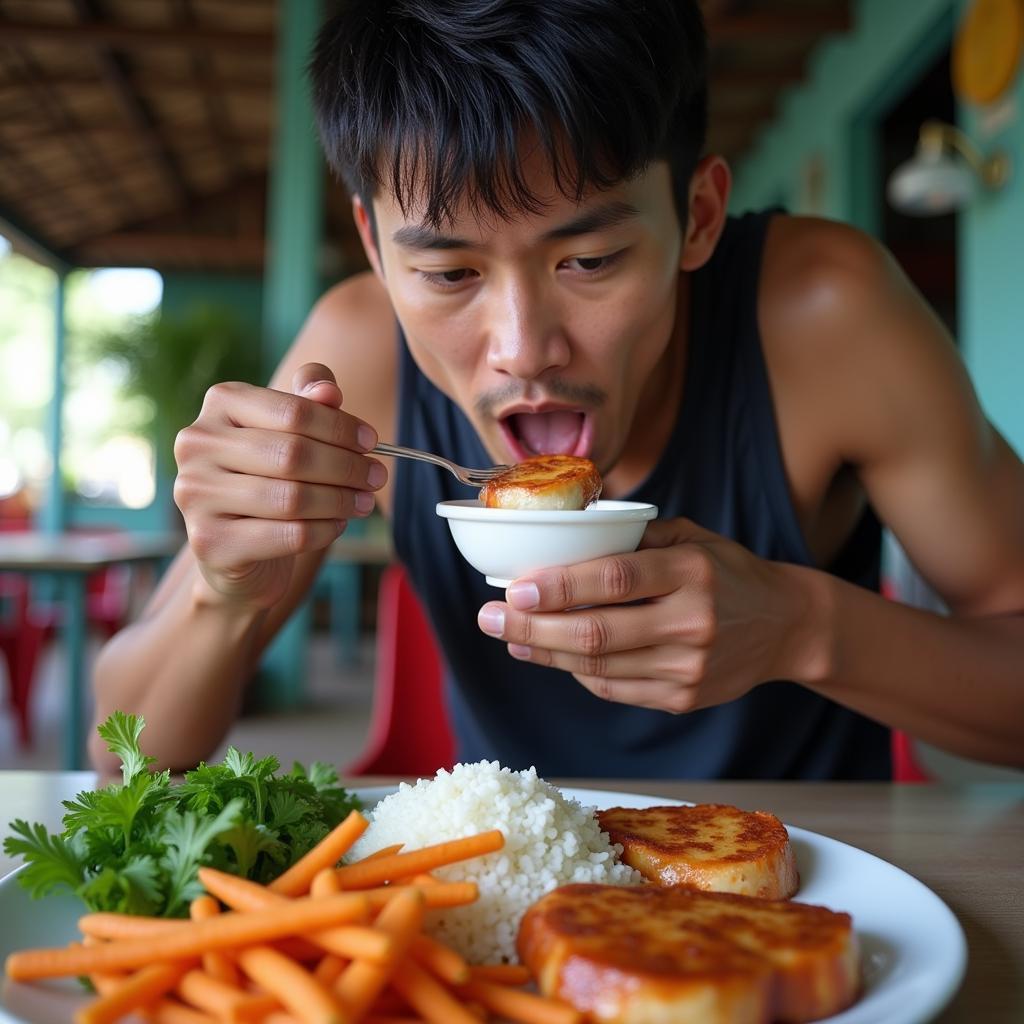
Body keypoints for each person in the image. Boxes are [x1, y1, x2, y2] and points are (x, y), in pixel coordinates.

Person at [90, 0, 1024, 779]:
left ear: (696, 216)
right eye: (450, 274)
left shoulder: (826, 317)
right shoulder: (355, 360)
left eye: (590, 258)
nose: (523, 350)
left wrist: (805, 629)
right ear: (376, 247)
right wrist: (223, 595)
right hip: (501, 922)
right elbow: (116, 756)